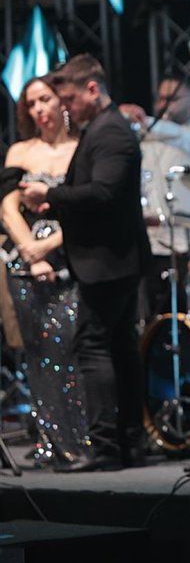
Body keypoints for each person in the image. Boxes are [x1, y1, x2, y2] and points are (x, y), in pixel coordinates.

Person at [20, 54, 152, 472]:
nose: (66, 109)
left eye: (70, 100)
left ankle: (107, 447)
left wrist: (49, 195)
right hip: (112, 258)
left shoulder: (110, 131)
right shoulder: (104, 128)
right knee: (119, 348)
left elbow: (104, 194)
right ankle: (129, 443)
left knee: (93, 346)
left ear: (92, 89)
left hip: (108, 259)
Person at [0, 75, 88, 468]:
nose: (39, 109)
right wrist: (32, 253)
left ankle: (82, 439)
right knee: (38, 352)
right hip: (26, 262)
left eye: (45, 100)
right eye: (31, 103)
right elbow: (7, 209)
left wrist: (51, 246)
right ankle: (50, 440)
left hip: (71, 256)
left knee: (71, 347)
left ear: (62, 102)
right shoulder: (20, 150)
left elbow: (91, 208)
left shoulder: (81, 148)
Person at [123, 73, 190, 318]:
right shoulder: (151, 138)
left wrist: (142, 120)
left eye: (173, 98)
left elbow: (179, 136)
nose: (164, 105)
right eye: (161, 98)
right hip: (153, 246)